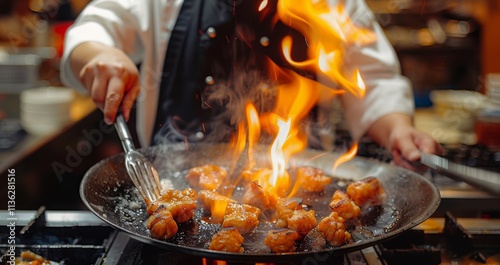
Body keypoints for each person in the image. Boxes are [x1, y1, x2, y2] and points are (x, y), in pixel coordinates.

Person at [60, 0, 442, 171]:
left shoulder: (332, 4)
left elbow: (374, 81)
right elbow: (95, 28)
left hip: (300, 193)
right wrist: (98, 55)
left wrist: (398, 129)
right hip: (172, 187)